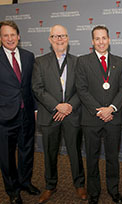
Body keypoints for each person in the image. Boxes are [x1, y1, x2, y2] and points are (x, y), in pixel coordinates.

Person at [32, 25, 87, 203]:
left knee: (75, 152)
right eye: (55, 36)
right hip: (50, 115)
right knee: (49, 153)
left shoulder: (77, 62)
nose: (59, 39)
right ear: (50, 40)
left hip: (72, 114)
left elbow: (82, 89)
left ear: (68, 38)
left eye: (62, 35)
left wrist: (69, 106)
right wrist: (57, 106)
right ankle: (50, 186)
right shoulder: (40, 62)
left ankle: (79, 184)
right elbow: (37, 89)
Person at [76, 25, 122, 204]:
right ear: (92, 41)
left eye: (104, 38)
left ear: (109, 39)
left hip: (113, 118)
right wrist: (99, 110)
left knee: (113, 158)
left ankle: (114, 190)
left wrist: (111, 108)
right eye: (97, 39)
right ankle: (94, 192)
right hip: (91, 119)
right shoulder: (83, 61)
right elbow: (81, 90)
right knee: (92, 158)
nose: (101, 42)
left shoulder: (119, 62)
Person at [0, 21, 40, 204]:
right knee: (7, 157)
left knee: (26, 151)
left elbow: (32, 86)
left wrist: (36, 109)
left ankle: (25, 182)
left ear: (19, 36)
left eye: (12, 35)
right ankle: (12, 189)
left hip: (27, 114)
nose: (10, 38)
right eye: (5, 35)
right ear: (0, 38)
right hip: (4, 117)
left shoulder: (28, 56)